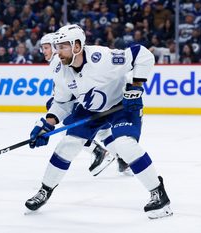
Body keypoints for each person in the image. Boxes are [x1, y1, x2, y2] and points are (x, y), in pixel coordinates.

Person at [25, 24, 173, 219]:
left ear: (77, 46)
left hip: (121, 105)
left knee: (125, 145)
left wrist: (136, 86)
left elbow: (142, 54)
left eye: (63, 47)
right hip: (89, 109)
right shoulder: (61, 70)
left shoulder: (102, 58)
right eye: (57, 47)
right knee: (67, 145)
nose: (57, 52)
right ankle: (44, 190)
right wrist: (46, 124)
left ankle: (159, 194)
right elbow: (62, 104)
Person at [40, 32, 132, 177]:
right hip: (96, 102)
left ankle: (98, 150)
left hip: (91, 102)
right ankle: (120, 158)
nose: (44, 51)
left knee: (76, 128)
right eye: (42, 48)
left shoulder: (58, 63)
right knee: (103, 131)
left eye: (46, 47)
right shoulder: (60, 62)